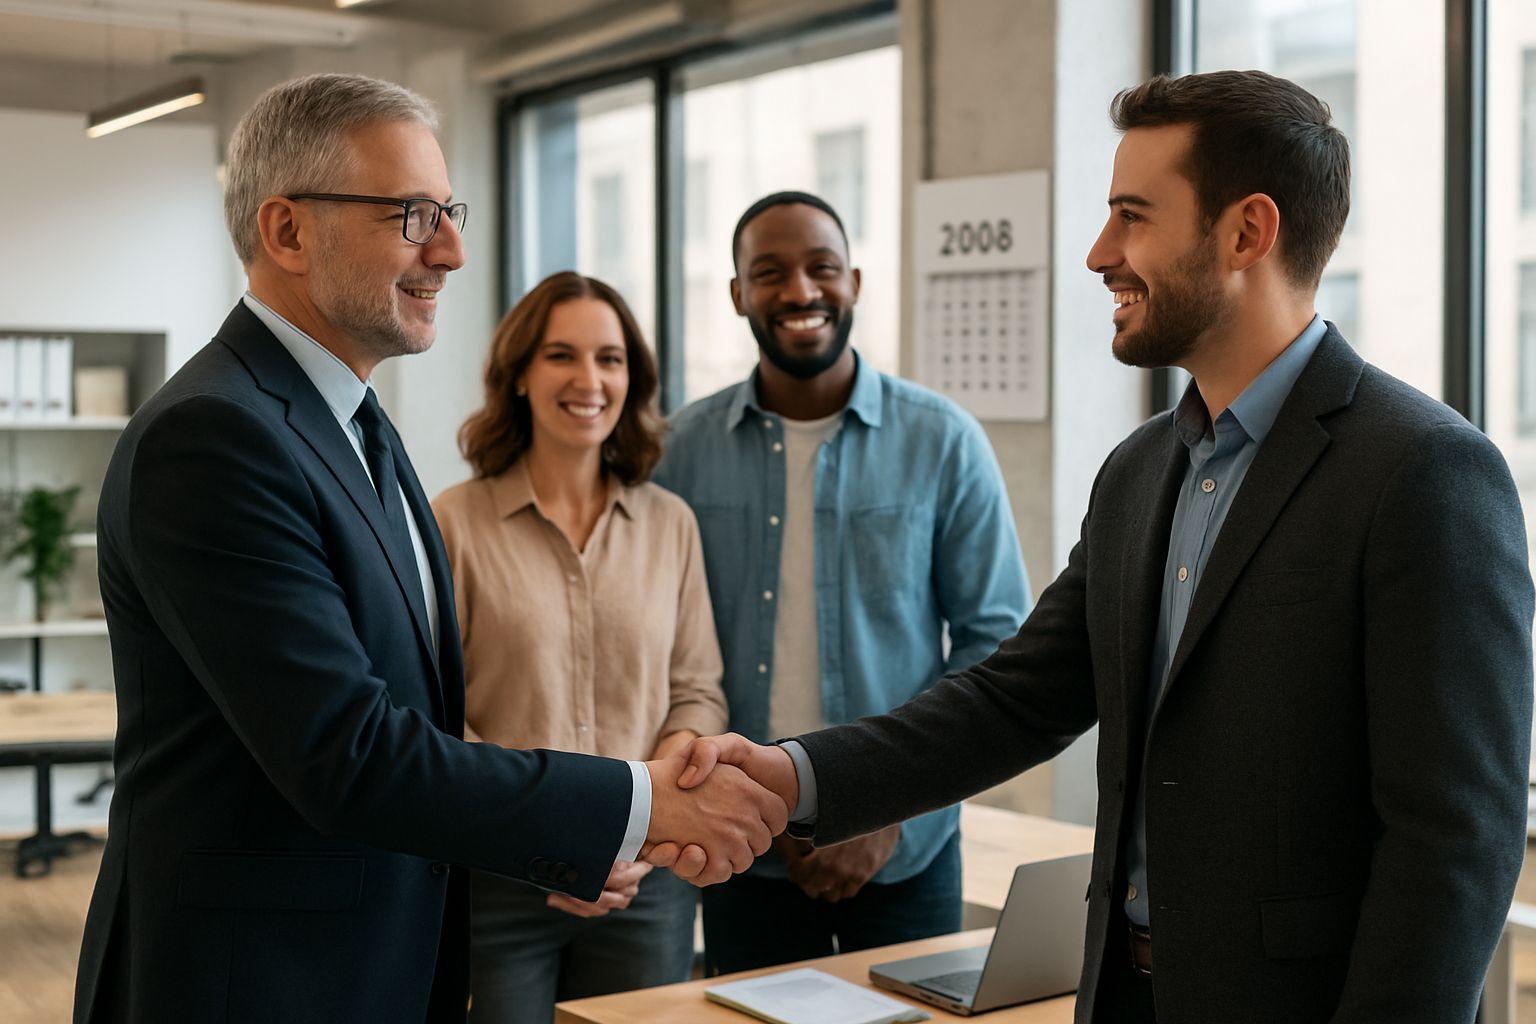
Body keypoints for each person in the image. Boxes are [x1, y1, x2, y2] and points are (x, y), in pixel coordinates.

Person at [676, 71, 1535, 1024]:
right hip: (1122, 995)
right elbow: (1015, 700)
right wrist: (794, 775)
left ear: (1247, 232)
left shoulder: (1424, 470)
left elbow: (1454, 840)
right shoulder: (1138, 471)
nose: (1098, 253)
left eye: (1132, 215)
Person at [74, 73, 783, 1024]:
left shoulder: (359, 426)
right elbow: (351, 753)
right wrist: (638, 804)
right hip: (259, 980)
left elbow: (422, 717)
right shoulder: (212, 438)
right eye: (411, 215)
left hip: (376, 960)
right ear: (286, 231)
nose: (450, 250)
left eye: (447, 211)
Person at [652, 191, 1031, 973]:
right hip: (740, 850)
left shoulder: (942, 441)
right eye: (770, 272)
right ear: (737, 295)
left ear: (854, 281)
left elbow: (997, 645)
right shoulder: (679, 450)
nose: (799, 292)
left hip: (906, 855)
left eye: (822, 268)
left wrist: (891, 810)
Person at [432, 271, 727, 1022]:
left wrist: (642, 823)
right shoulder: (454, 524)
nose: (589, 379)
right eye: (562, 355)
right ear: (521, 374)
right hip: (498, 885)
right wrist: (546, 839)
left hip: (648, 881)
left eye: (611, 358)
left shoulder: (672, 526)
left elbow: (697, 690)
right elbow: (433, 710)